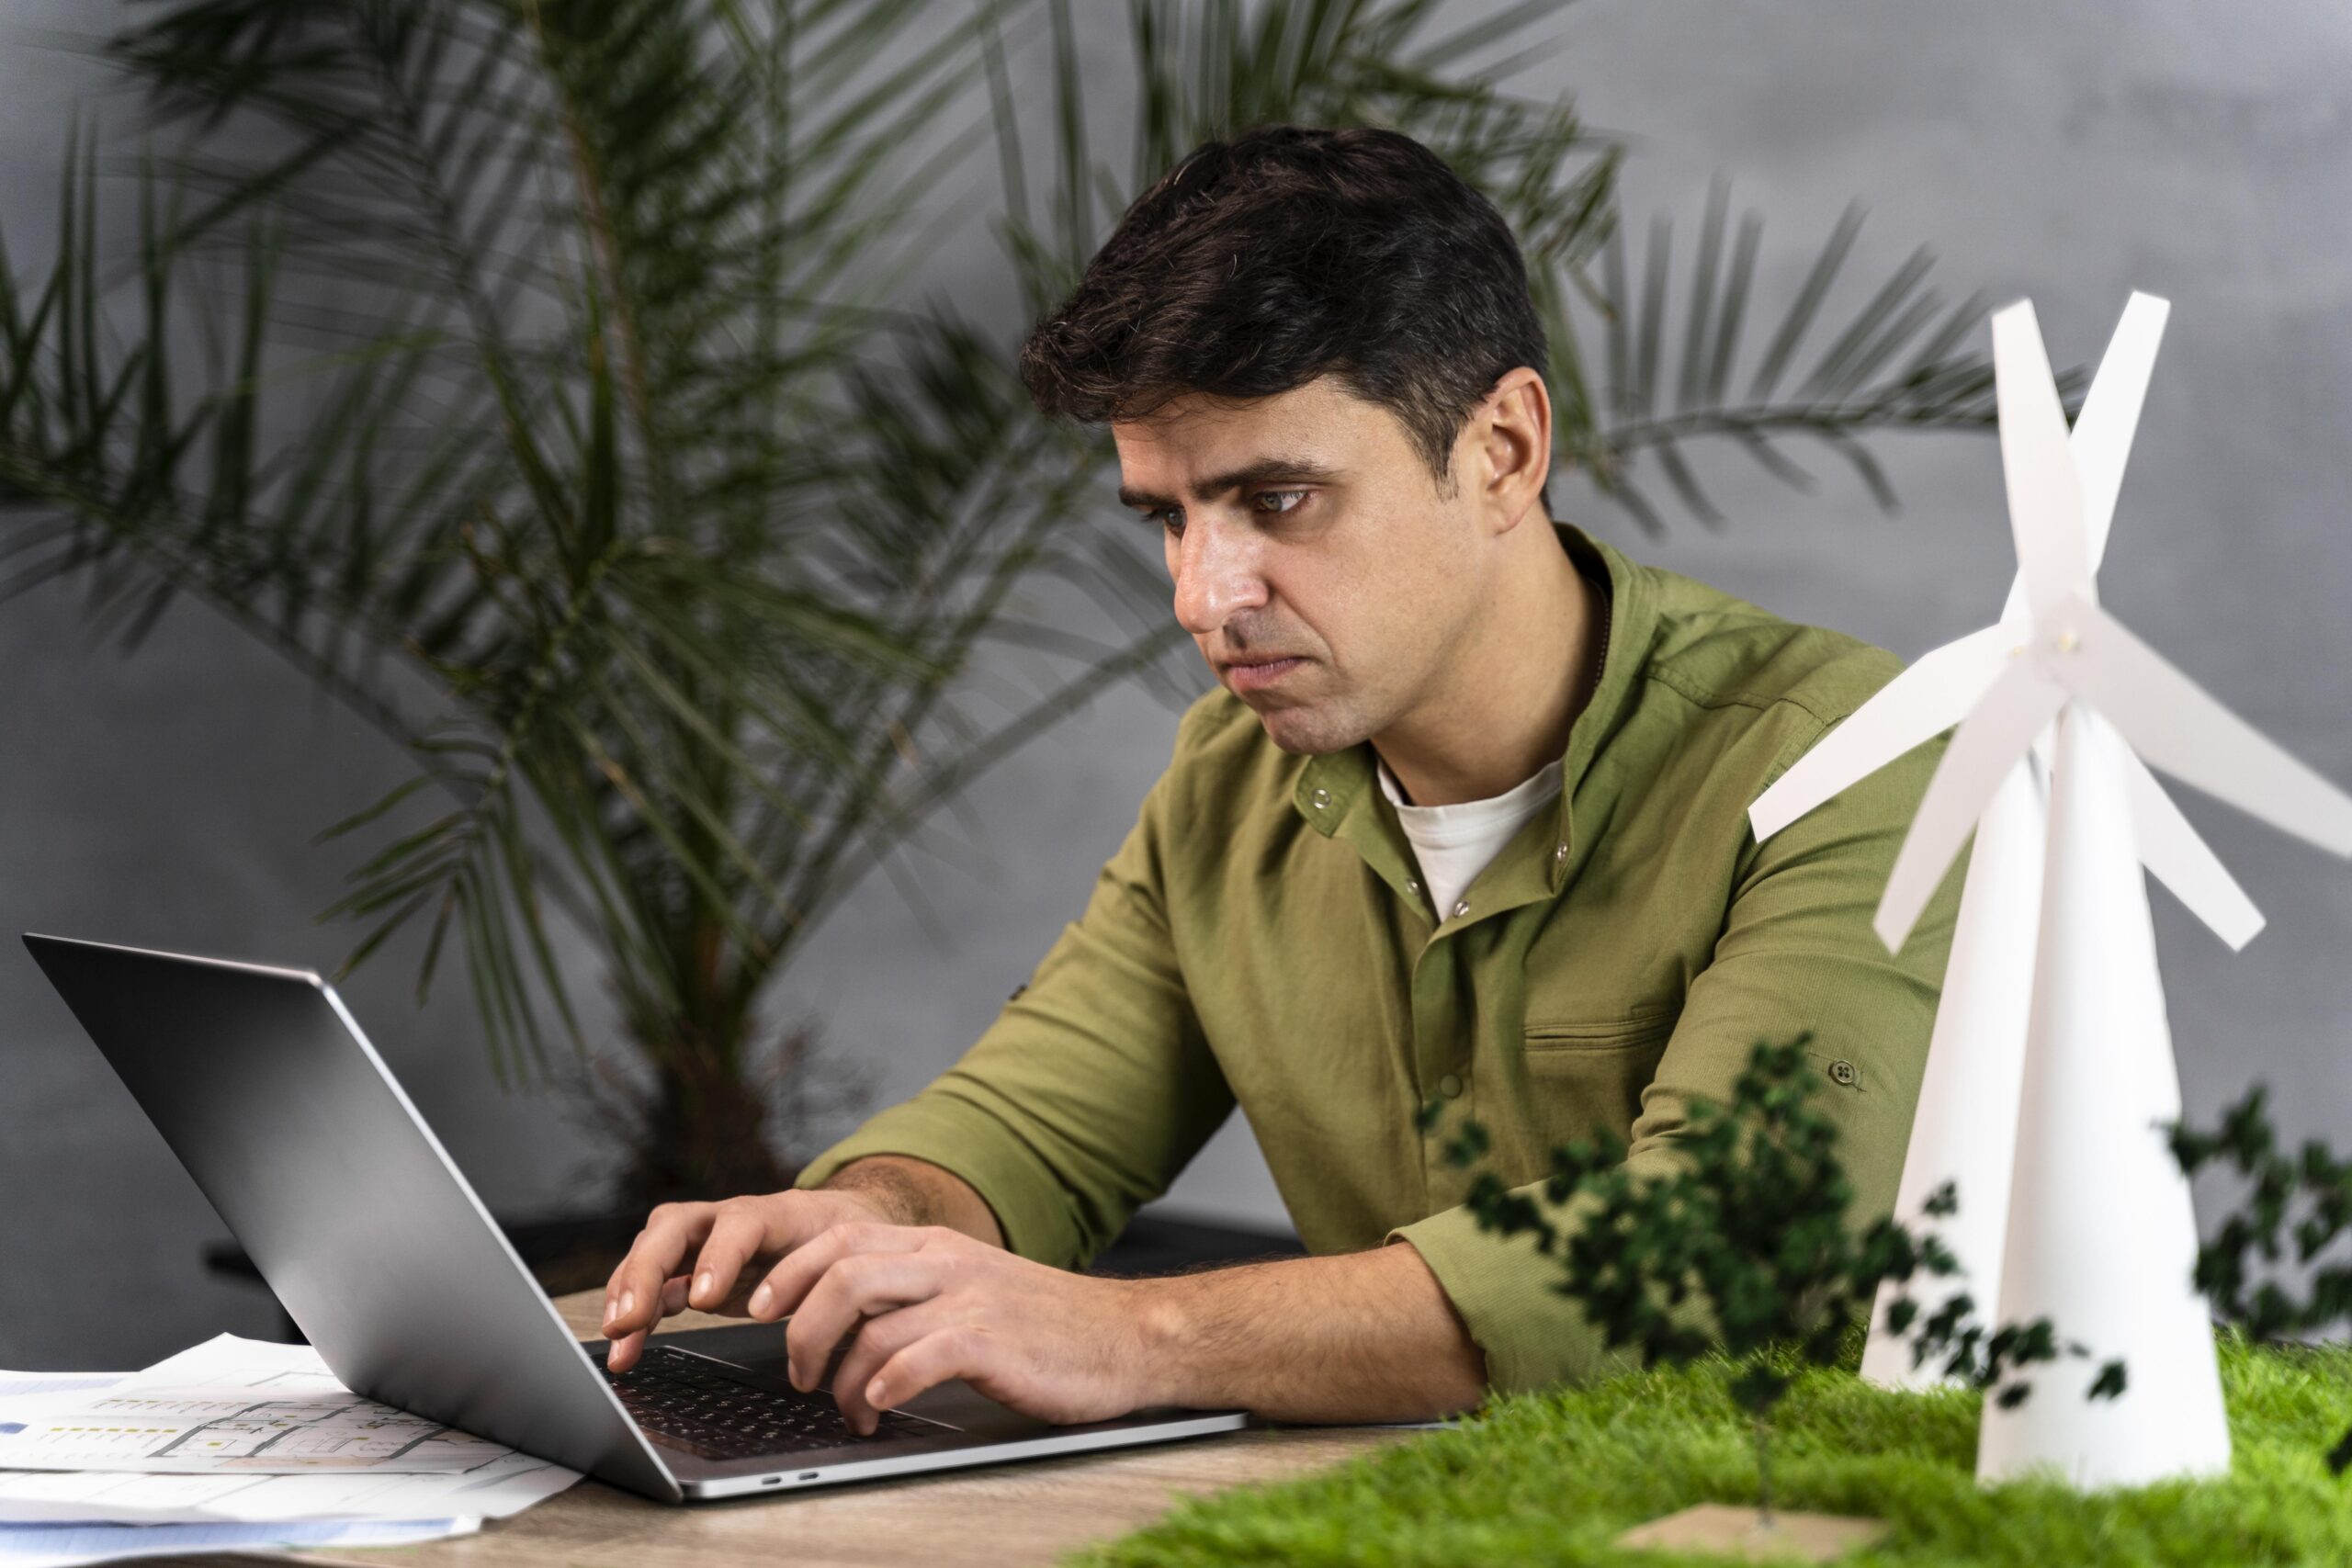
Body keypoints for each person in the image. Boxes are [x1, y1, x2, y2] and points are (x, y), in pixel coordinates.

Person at [599, 125, 1961, 1435]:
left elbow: (1719, 1253)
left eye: (1279, 499)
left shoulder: (1851, 757)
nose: (1206, 594)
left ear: (1502, 451)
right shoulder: (1230, 785)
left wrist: (1132, 1339)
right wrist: (880, 1217)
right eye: (1170, 518)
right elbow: (1033, 1122)